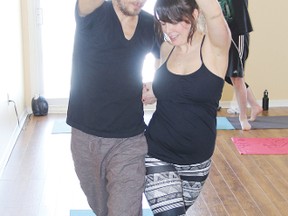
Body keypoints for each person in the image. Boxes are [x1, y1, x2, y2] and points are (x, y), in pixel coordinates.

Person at [66, 0, 160, 215]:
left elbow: (167, 57)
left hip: (130, 138)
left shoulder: (149, 24)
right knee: (102, 208)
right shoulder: (92, 13)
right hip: (86, 137)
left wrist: (158, 85)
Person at [142, 0, 231, 215]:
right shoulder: (166, 49)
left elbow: (215, 15)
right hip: (157, 151)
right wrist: (155, 90)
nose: (168, 30)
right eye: (163, 23)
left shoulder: (214, 48)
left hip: (197, 160)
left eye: (174, 22)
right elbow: (172, 86)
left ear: (194, 13)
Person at [220, 0, 262, 130]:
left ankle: (243, 118)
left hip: (238, 33)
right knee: (228, 76)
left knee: (236, 76)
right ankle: (255, 105)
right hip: (223, 33)